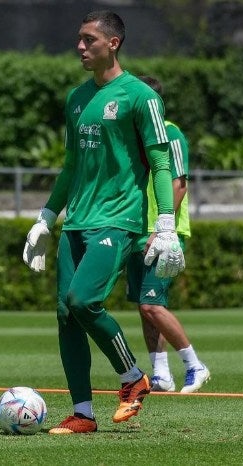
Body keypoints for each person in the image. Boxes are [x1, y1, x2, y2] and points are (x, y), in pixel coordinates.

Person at [22, 11, 185, 435]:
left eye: (89, 39)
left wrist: (165, 222)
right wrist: (45, 218)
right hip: (76, 221)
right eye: (79, 39)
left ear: (113, 43)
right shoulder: (76, 99)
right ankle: (83, 414)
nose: (80, 46)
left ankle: (132, 377)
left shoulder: (140, 97)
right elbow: (71, 166)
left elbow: (161, 162)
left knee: (82, 301)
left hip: (118, 220)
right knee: (65, 313)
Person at [127, 75, 210, 394]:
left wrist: (164, 229)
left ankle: (194, 365)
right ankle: (161, 373)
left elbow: (179, 182)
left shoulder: (171, 133)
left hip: (162, 233)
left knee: (152, 306)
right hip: (138, 231)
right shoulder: (137, 137)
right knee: (144, 305)